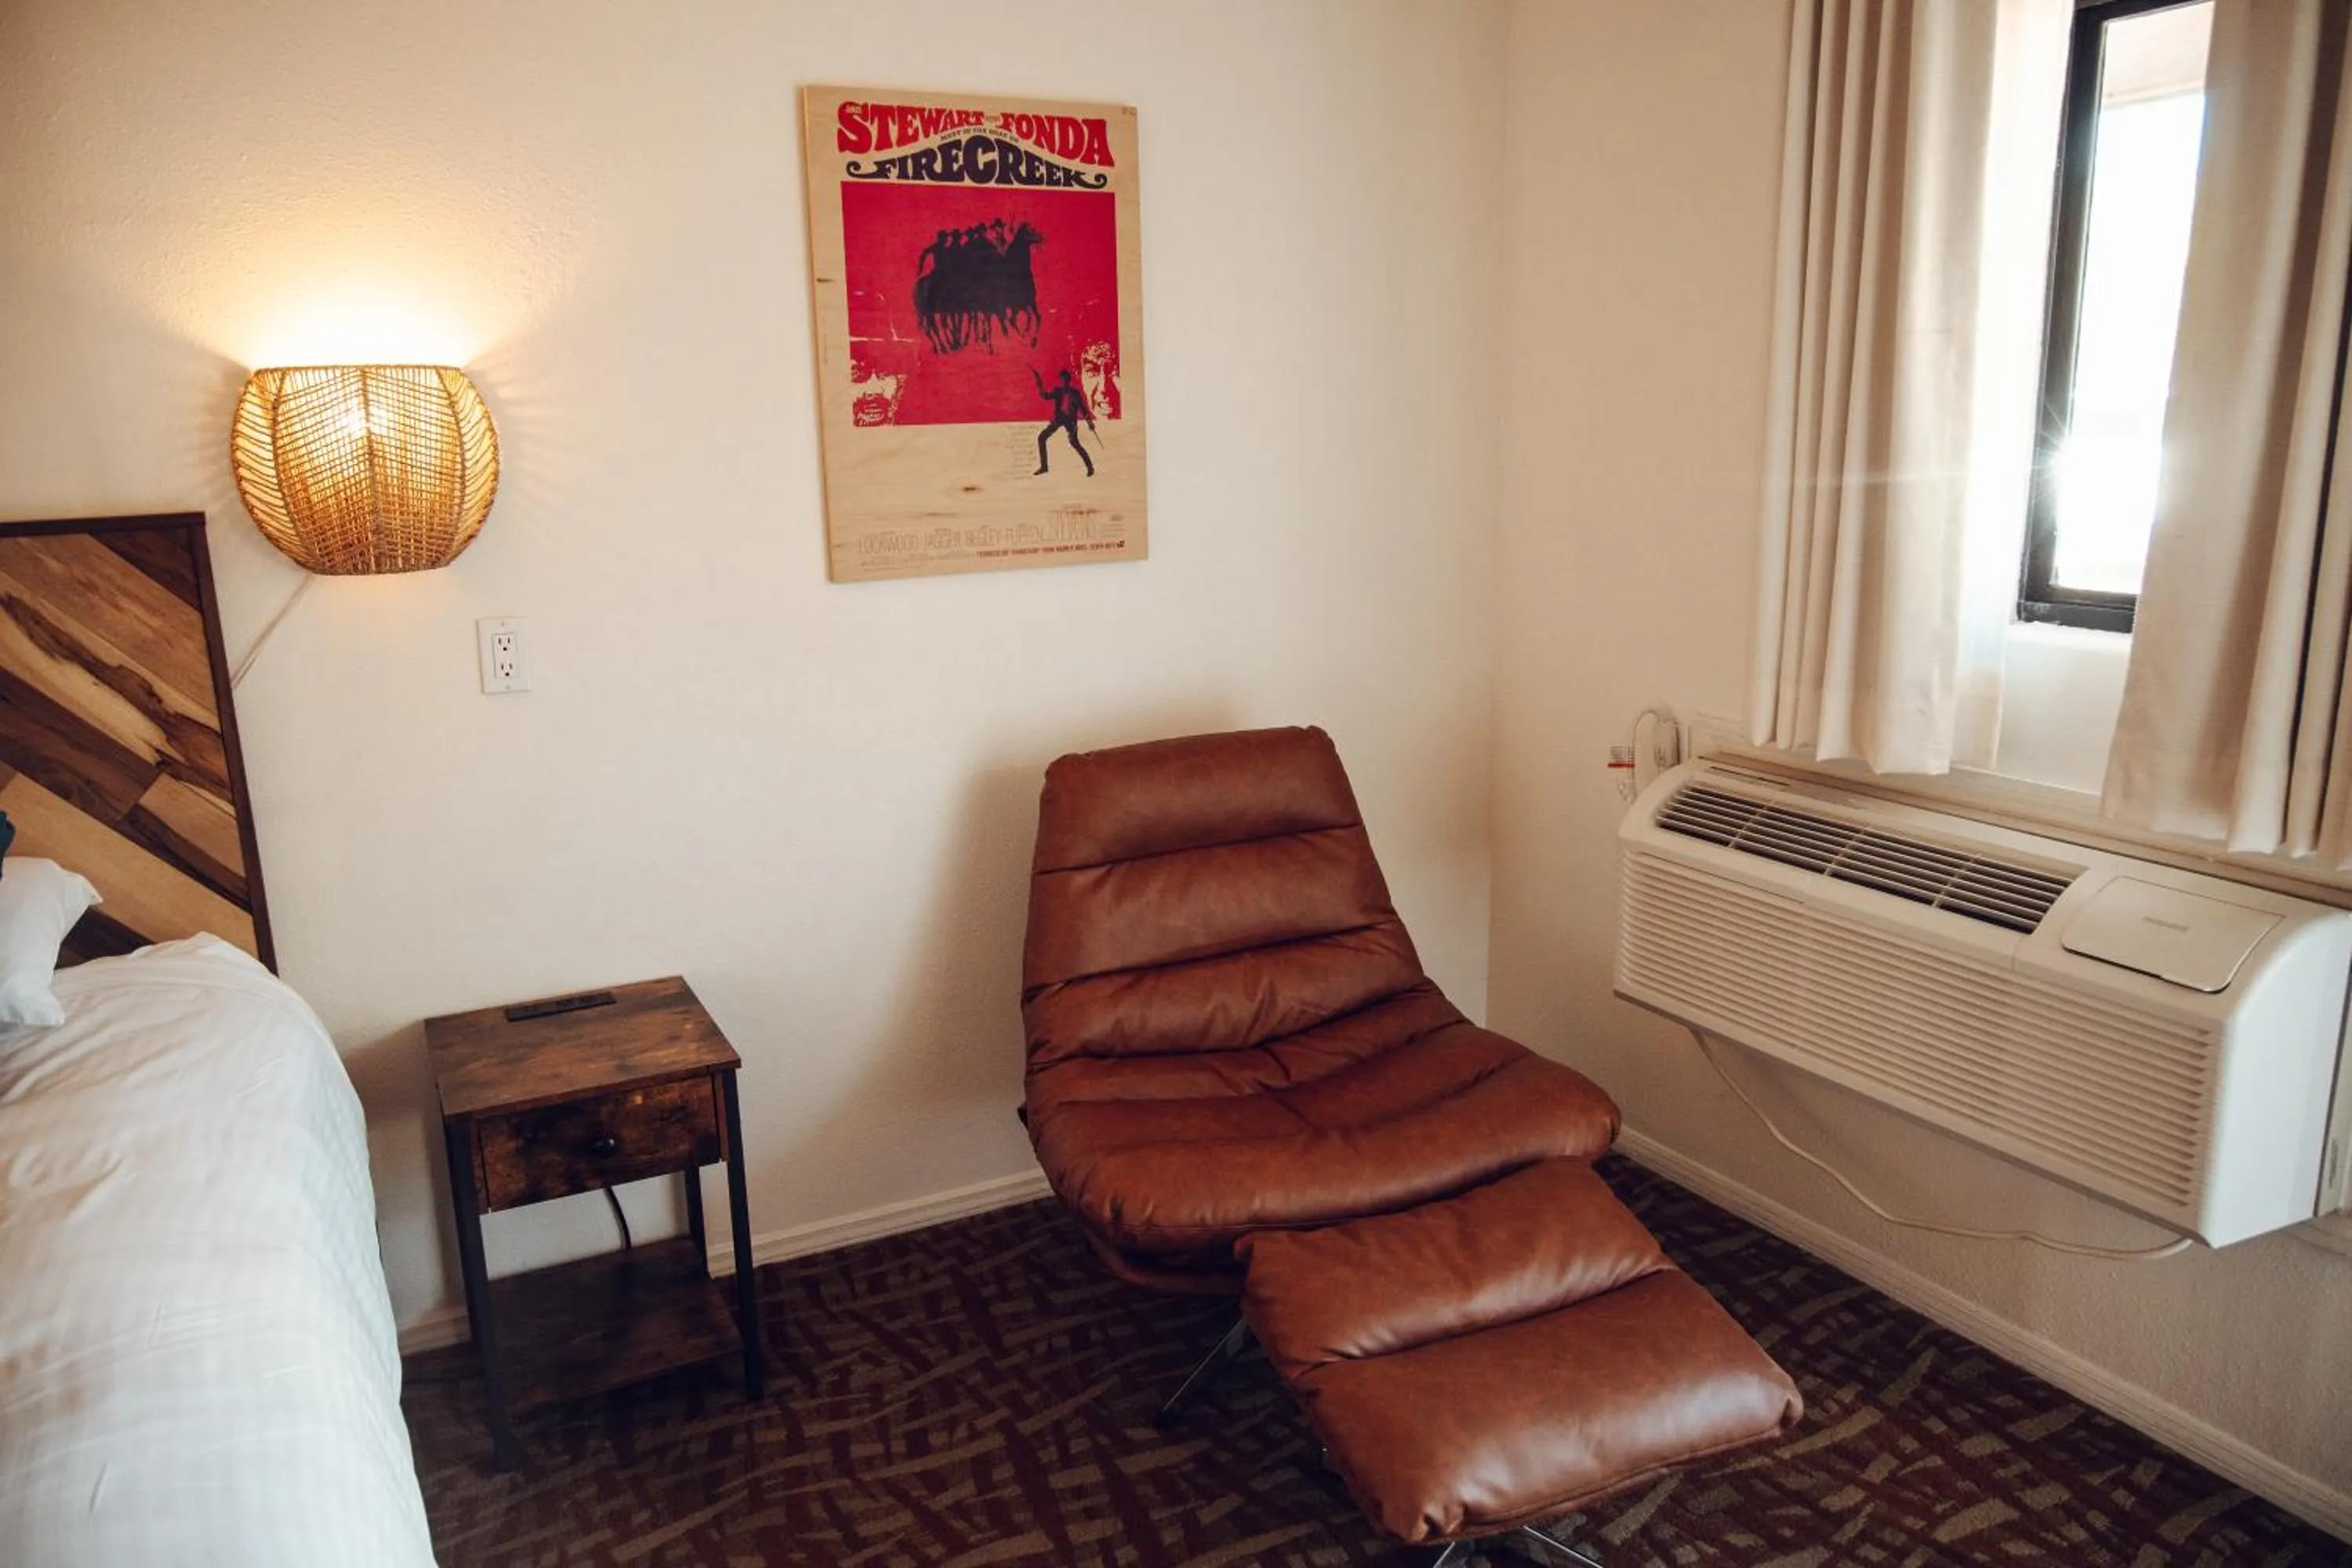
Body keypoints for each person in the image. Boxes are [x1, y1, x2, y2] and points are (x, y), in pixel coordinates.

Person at [1031, 366, 1095, 477]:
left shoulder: (1075, 393)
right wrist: (1040, 386)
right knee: (1042, 437)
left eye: (1065, 379)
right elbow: (1045, 396)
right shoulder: (1058, 391)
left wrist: (1089, 422)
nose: (1064, 381)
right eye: (1062, 379)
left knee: (1074, 443)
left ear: (1068, 380)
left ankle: (1090, 467)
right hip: (1060, 418)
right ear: (1061, 380)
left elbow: (1082, 408)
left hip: (1070, 421)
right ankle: (1044, 467)